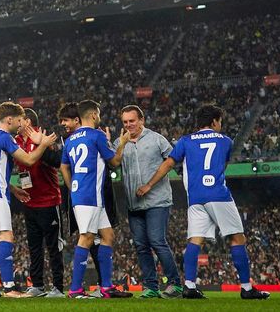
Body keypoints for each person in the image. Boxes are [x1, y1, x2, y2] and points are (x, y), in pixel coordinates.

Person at [137, 103, 271, 300]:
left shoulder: (185, 141)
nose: (220, 125)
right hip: (218, 194)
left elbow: (168, 163)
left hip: (196, 197)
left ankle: (189, 286)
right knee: (237, 238)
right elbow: (221, 166)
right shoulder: (226, 141)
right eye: (220, 122)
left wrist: (149, 185)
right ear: (215, 121)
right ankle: (246, 288)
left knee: (195, 240)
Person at [0, 101, 58, 298]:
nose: (21, 124)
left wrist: (13, 189)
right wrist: (43, 144)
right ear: (9, 119)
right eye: (19, 120)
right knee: (6, 237)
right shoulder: (4, 138)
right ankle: (10, 288)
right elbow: (28, 160)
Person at [60, 99, 132, 299]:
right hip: (89, 195)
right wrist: (122, 143)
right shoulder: (97, 135)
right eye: (98, 113)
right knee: (87, 238)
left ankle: (106, 287)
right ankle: (75, 290)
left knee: (108, 236)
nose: (99, 117)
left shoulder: (71, 140)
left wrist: (71, 185)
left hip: (86, 194)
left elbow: (63, 166)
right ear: (93, 115)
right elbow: (115, 162)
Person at [116, 104, 183, 298]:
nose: (129, 125)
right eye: (125, 122)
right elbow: (113, 162)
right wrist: (120, 144)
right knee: (140, 245)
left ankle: (174, 284)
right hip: (133, 204)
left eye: (132, 121)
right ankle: (151, 286)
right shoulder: (121, 142)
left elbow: (171, 161)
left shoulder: (157, 139)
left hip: (157, 201)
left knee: (156, 241)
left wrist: (149, 185)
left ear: (142, 120)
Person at [16, 108, 67, 297]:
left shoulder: (44, 136)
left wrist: (42, 146)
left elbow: (58, 161)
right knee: (34, 247)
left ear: (27, 121)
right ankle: (37, 285)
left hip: (49, 202)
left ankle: (58, 288)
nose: (16, 123)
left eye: (19, 120)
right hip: (30, 203)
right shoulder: (18, 142)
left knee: (54, 247)